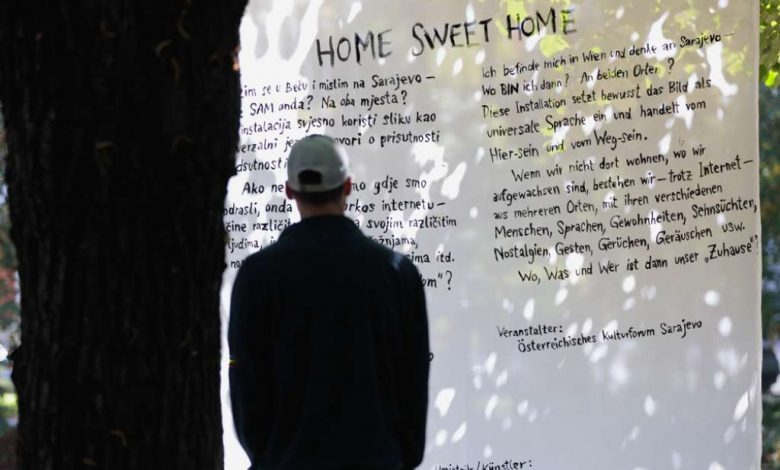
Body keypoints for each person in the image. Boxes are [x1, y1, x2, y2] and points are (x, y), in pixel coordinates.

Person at [228, 134, 430, 470]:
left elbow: (245, 380)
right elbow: (413, 380)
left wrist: (270, 457)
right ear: (348, 186)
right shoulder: (398, 274)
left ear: (289, 191)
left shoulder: (257, 276)